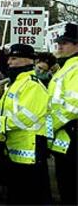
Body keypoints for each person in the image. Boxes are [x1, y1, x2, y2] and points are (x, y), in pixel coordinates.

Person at [0, 44, 52, 204]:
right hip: (16, 152)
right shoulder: (15, 83)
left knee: (32, 197)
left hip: (31, 152)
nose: (9, 62)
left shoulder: (32, 85)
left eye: (14, 58)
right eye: (9, 58)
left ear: (28, 60)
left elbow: (24, 118)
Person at [47, 23, 78, 205]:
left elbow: (74, 105)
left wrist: (50, 126)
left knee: (70, 190)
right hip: (65, 137)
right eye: (60, 42)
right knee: (65, 188)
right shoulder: (65, 67)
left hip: (72, 135)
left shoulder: (74, 67)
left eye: (65, 42)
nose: (59, 45)